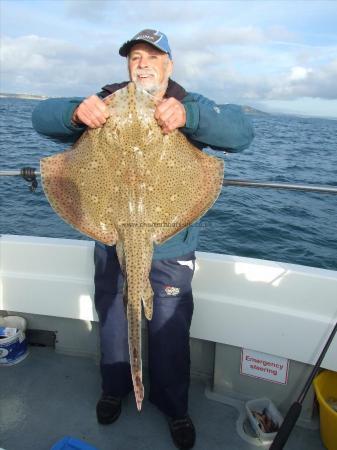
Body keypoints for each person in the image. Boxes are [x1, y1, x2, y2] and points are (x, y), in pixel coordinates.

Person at [32, 29, 254, 450]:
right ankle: (115, 388)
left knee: (169, 331)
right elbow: (41, 118)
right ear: (127, 65)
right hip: (110, 234)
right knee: (114, 321)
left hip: (170, 243)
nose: (142, 64)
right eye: (135, 56)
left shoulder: (190, 103)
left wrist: (191, 119)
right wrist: (76, 115)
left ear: (170, 64)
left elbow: (242, 134)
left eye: (152, 56)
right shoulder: (106, 100)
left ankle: (174, 407)